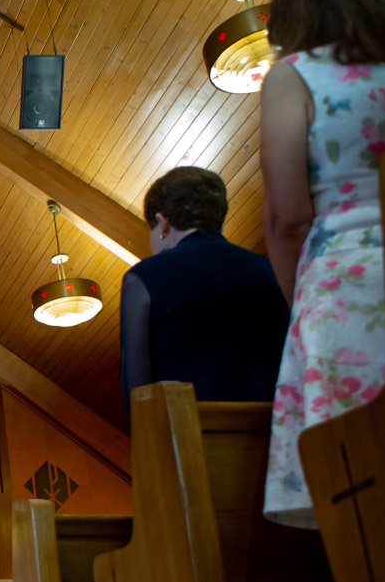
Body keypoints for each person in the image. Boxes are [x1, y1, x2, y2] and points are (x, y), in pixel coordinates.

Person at [258, 0, 385, 527]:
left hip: (350, 281)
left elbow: (288, 216)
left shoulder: (296, 74)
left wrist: (298, 308)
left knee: (369, 494)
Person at [118, 167, 289, 410]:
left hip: (187, 437)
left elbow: (136, 392)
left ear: (162, 222)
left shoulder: (144, 276)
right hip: (273, 435)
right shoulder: (269, 270)